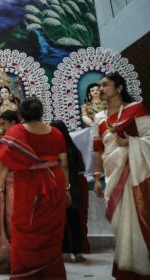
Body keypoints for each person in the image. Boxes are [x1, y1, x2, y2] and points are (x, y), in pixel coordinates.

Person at [0, 97, 69, 279]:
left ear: (21, 114)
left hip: (29, 183)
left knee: (25, 225)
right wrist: (66, 188)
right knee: (52, 228)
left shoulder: (16, 132)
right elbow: (64, 163)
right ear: (41, 112)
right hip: (54, 182)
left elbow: (4, 163)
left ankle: (25, 273)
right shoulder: (56, 133)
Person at [93, 72, 150, 279]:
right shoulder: (98, 118)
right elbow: (98, 150)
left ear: (119, 87)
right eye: (99, 86)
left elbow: (149, 138)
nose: (100, 89)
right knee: (120, 223)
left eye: (105, 85)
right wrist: (97, 177)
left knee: (139, 218)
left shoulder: (136, 109)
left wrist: (132, 143)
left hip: (137, 173)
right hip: (113, 174)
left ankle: (142, 268)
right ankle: (127, 264)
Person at [51, 120, 89, 263]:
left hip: (61, 187)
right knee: (75, 222)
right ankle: (78, 252)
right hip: (75, 189)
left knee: (62, 222)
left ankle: (65, 252)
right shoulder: (73, 148)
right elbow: (81, 169)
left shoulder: (55, 149)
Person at [0, 110, 20, 274]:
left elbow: (4, 166)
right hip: (22, 183)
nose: (0, 129)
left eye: (3, 125)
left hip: (14, 185)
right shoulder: (24, 137)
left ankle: (14, 259)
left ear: (14, 123)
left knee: (11, 221)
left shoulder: (9, 140)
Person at [0, 68, 22, 133]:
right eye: (2, 93)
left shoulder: (15, 102)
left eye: (6, 92)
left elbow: (21, 111)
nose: (4, 94)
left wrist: (19, 89)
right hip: (1, 127)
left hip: (14, 125)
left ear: (9, 92)